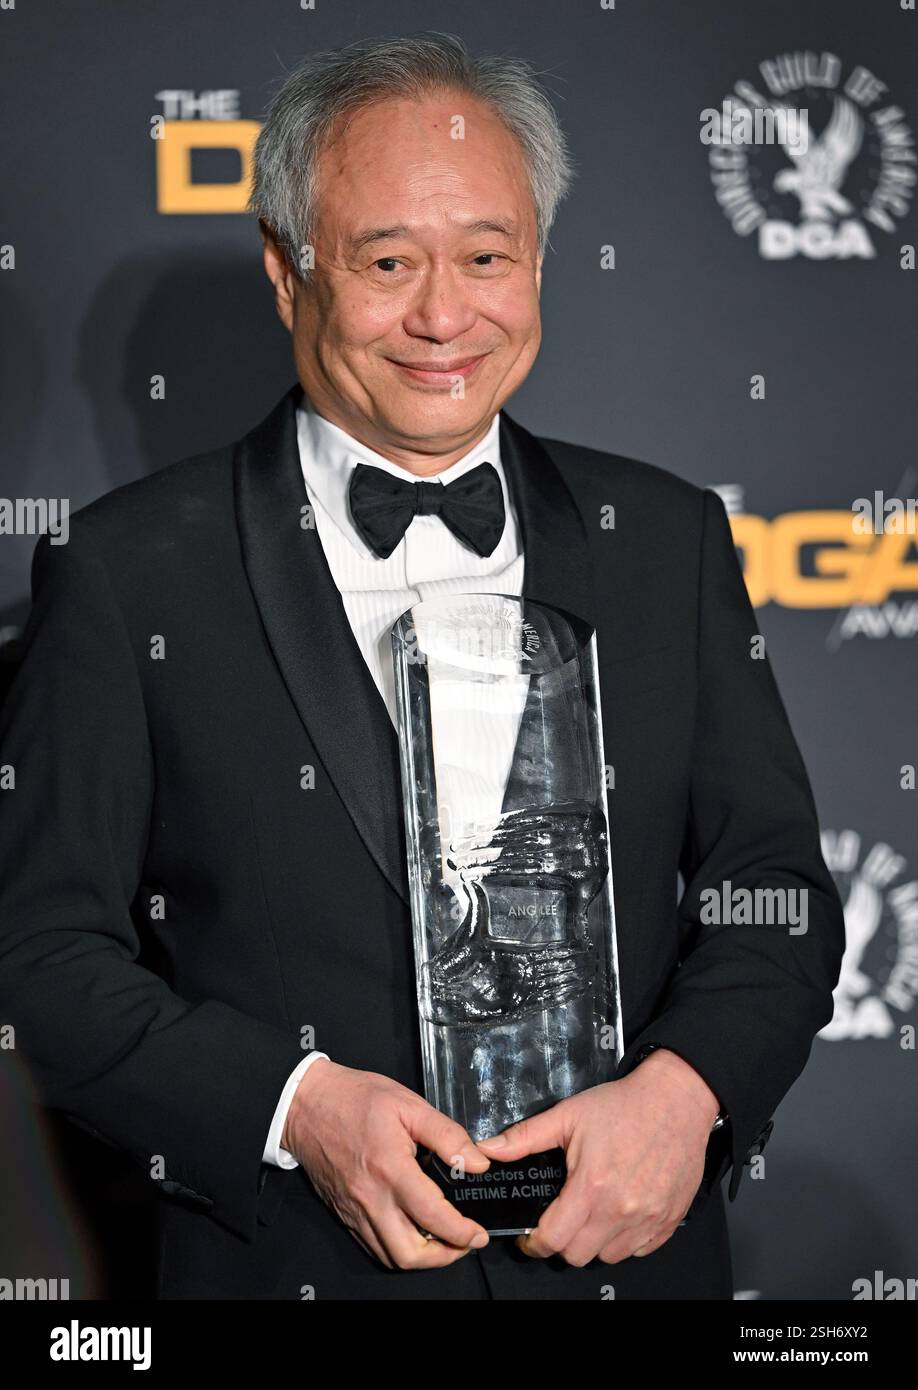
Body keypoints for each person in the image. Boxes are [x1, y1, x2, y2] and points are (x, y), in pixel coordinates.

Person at [0, 33, 845, 1299]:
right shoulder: (127, 574)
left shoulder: (666, 540)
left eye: (487, 257)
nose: (445, 316)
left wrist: (688, 1090)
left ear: (539, 262)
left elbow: (770, 891)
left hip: (630, 1271)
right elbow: (39, 954)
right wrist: (292, 1108)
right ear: (287, 273)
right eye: (387, 262)